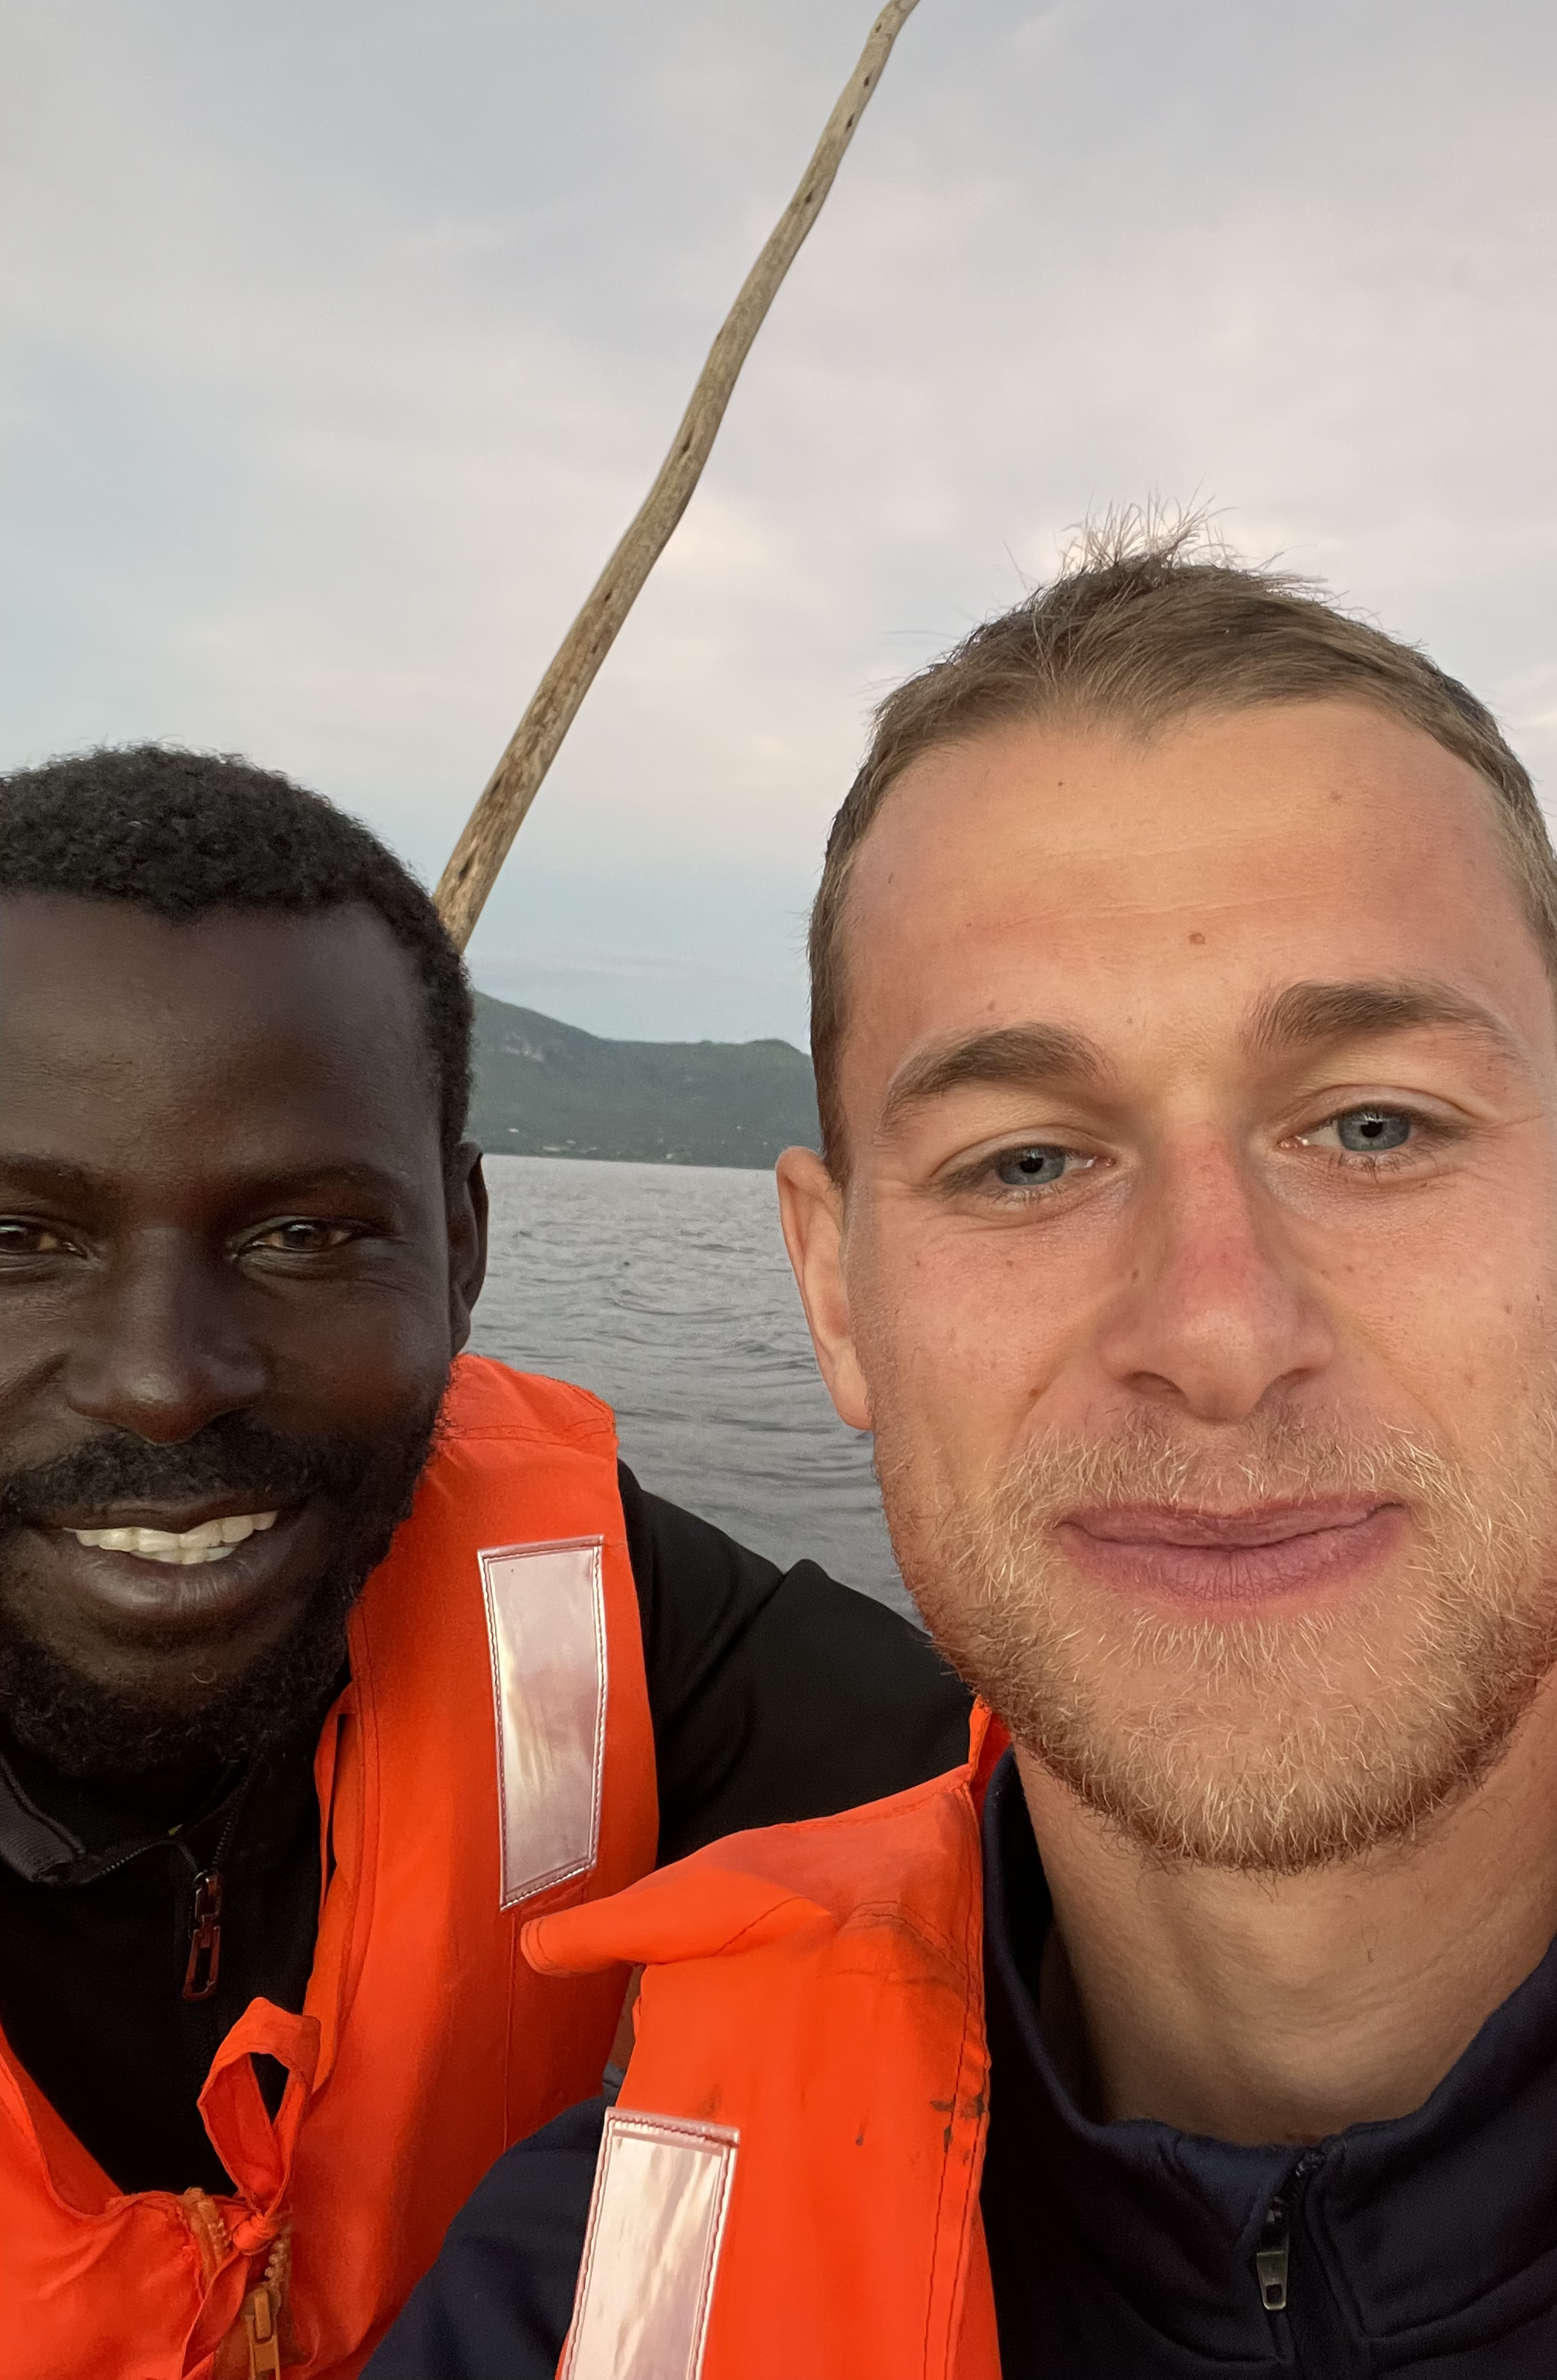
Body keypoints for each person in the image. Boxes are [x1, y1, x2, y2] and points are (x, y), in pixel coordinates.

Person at [373, 525, 1557, 2380]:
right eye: (1027, 1160)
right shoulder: (589, 2299)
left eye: (1371, 1124)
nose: (1213, 1330)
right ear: (839, 1292)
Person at [0, 744, 970, 2380]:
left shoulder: (615, 1625)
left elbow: (1115, 1845)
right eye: (17, 1239)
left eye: (303, 1233)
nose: (164, 1380)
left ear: (463, 1250)